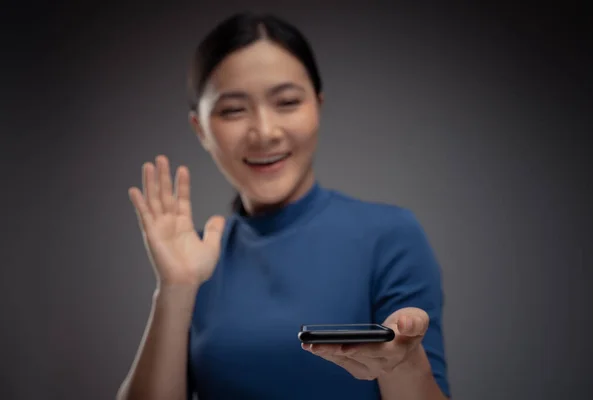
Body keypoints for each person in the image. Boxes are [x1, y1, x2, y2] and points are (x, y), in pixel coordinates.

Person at [117, 12, 451, 400]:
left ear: (318, 106)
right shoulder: (194, 261)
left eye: (287, 102)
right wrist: (174, 290)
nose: (265, 132)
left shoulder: (390, 236)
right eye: (233, 110)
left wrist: (404, 364)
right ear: (200, 129)